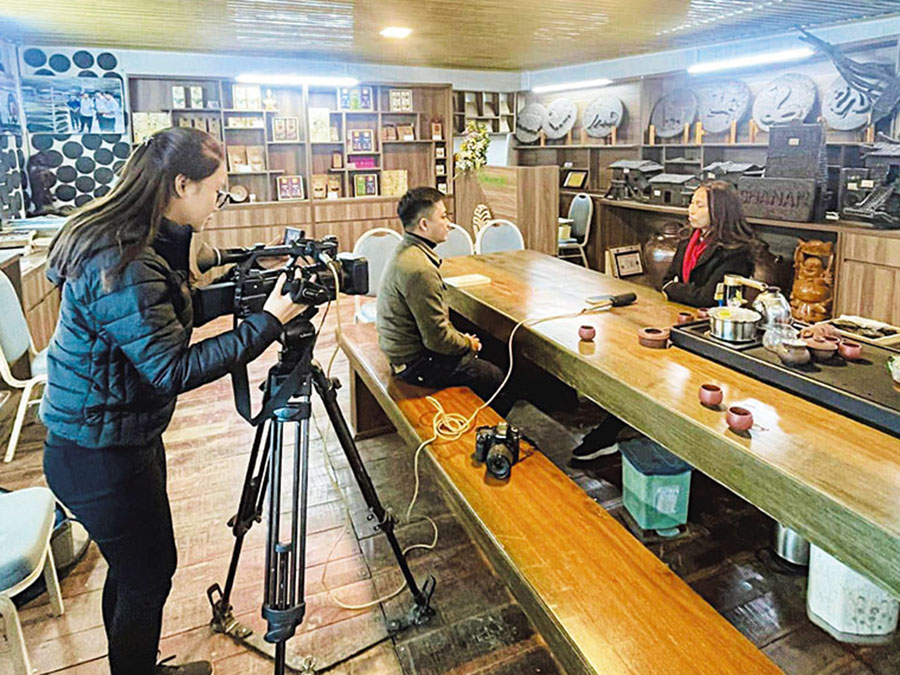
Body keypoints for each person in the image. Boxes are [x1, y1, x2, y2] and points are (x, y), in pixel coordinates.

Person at [40, 127, 306, 675]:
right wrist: (268, 321)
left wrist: (245, 295)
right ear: (183, 184)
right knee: (148, 575)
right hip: (99, 452)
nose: (217, 203)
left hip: (110, 437)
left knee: (134, 570)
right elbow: (170, 369)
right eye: (217, 191)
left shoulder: (127, 238)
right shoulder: (126, 259)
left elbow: (159, 316)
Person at [571, 180, 759, 462]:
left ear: (719, 211)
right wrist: (677, 288)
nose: (690, 209)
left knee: (653, 373)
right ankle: (615, 426)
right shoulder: (689, 241)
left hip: (709, 332)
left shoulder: (735, 252)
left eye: (699, 205)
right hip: (676, 320)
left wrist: (676, 289)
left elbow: (706, 297)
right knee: (635, 362)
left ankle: (615, 433)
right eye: (691, 203)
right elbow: (667, 281)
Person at [375, 186, 510, 414]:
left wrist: (464, 340)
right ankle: (485, 430)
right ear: (424, 225)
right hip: (414, 364)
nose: (449, 223)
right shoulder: (420, 269)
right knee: (496, 378)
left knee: (492, 345)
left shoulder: (407, 250)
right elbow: (437, 340)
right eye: (443, 216)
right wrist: (468, 343)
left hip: (402, 351)